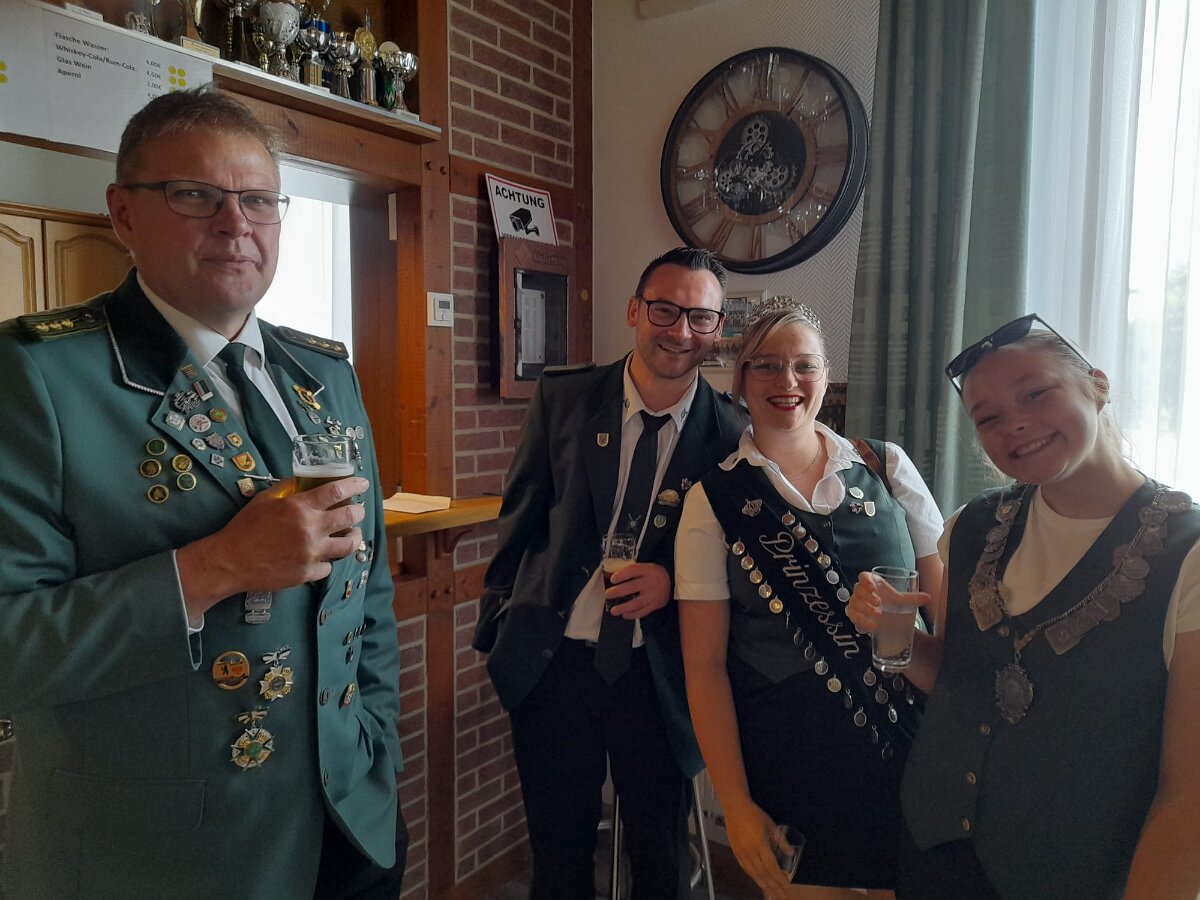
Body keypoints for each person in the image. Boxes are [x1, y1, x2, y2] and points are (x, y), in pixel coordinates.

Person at [0, 87, 406, 899]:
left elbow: (369, 594)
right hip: (163, 855)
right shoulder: (41, 377)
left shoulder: (324, 373)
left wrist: (375, 741)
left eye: (258, 200)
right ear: (123, 214)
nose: (235, 224)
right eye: (195, 195)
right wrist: (216, 567)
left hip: (347, 820)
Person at [849, 314, 1200, 900]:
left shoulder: (1187, 555)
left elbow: (1188, 792)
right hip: (934, 849)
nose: (1013, 423)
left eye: (1035, 393)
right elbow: (959, 679)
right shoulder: (970, 528)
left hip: (1078, 873)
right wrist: (896, 637)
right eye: (987, 417)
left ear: (1097, 385)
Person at [472, 247, 744, 899]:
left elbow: (740, 561)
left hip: (659, 675)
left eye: (700, 317)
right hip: (553, 663)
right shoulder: (565, 397)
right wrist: (495, 630)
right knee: (559, 859)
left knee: (660, 860)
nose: (681, 331)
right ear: (634, 311)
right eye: (665, 310)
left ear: (717, 328)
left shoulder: (732, 434)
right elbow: (520, 518)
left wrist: (673, 582)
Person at [675, 298, 943, 900]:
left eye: (804, 365)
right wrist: (736, 805)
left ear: (825, 375)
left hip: (910, 753)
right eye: (767, 365)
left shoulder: (887, 467)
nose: (787, 381)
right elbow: (705, 667)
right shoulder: (710, 501)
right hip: (789, 763)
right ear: (741, 379)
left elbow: (949, 623)